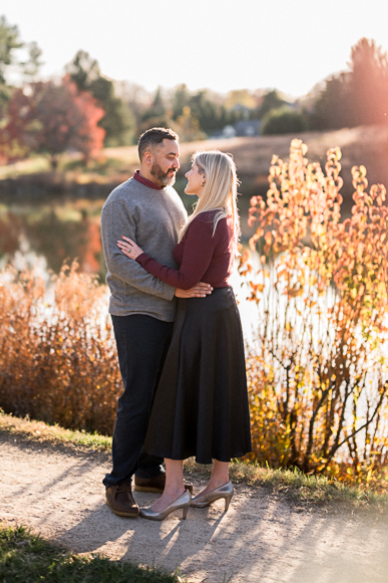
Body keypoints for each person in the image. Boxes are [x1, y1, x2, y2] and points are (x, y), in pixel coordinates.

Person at [117, 150, 252, 521]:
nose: (186, 172)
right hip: (216, 314)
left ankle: (174, 490)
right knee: (215, 394)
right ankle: (219, 481)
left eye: (194, 168)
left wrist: (141, 256)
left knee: (174, 397)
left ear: (207, 178)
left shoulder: (206, 220)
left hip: (203, 318)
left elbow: (185, 280)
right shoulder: (215, 217)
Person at [99, 127, 213, 518]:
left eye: (177, 157)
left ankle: (149, 471)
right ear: (148, 157)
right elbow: (119, 265)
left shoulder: (170, 195)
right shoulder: (121, 201)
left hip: (171, 312)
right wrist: (173, 293)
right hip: (136, 313)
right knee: (137, 399)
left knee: (160, 397)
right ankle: (118, 484)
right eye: (169, 157)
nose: (176, 164)